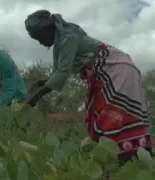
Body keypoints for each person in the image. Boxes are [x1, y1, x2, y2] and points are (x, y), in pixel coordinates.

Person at [24, 9, 152, 161]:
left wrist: (34, 98)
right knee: (98, 116)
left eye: (39, 37)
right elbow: (57, 73)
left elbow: (61, 74)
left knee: (112, 116)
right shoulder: (59, 42)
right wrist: (41, 83)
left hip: (116, 68)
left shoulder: (67, 37)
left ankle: (131, 158)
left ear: (46, 28)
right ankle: (123, 160)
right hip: (105, 71)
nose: (40, 43)